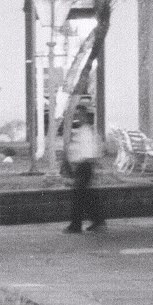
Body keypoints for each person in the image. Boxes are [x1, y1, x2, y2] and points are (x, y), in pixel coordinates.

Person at [64, 98, 104, 233]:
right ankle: (97, 220)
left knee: (78, 197)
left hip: (84, 166)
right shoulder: (83, 130)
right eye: (77, 115)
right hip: (82, 166)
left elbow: (88, 152)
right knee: (86, 196)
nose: (78, 117)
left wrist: (81, 165)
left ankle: (76, 225)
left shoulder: (86, 131)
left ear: (85, 116)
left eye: (80, 115)